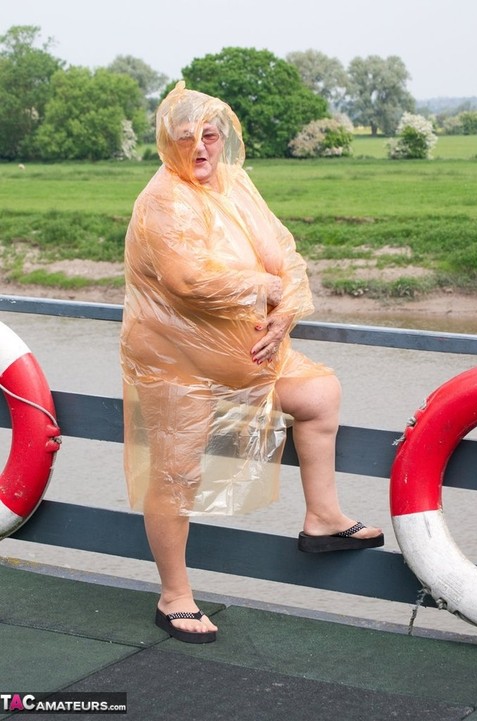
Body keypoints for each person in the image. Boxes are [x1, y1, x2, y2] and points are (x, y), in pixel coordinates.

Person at [120, 81, 383, 645]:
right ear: (168, 143)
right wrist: (261, 285)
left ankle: (323, 518)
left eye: (208, 135)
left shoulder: (235, 184)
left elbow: (283, 255)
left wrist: (284, 312)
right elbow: (188, 283)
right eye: (185, 138)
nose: (199, 149)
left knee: (319, 395)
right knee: (175, 473)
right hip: (176, 365)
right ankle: (174, 597)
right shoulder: (162, 201)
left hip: (251, 357)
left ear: (224, 137)